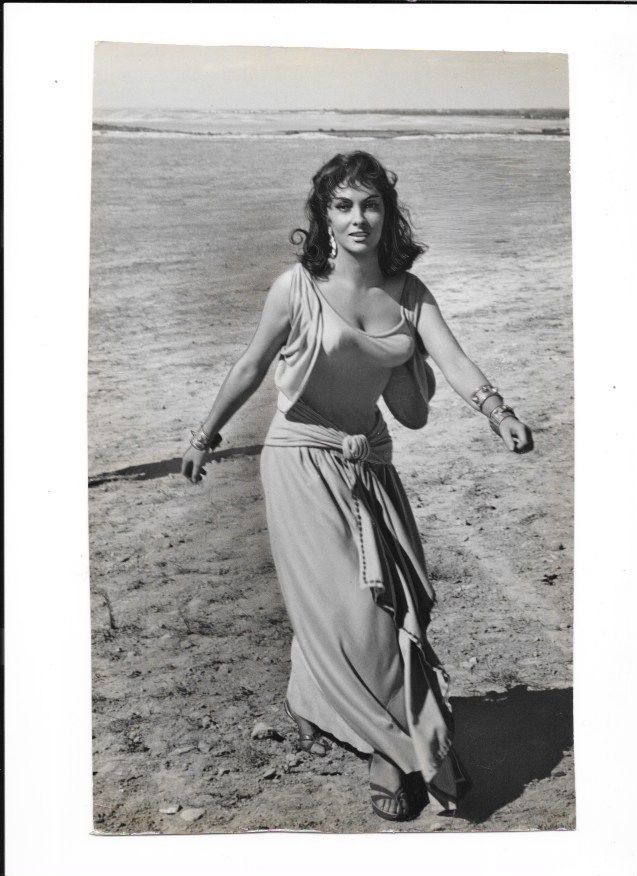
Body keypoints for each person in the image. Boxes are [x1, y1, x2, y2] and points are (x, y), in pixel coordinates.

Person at [181, 151, 533, 822]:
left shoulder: (409, 293)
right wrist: (205, 435)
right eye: (342, 205)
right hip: (299, 460)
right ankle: (396, 752)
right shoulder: (295, 288)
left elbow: (453, 360)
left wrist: (499, 414)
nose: (357, 218)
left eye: (370, 204)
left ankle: (330, 707)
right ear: (324, 215)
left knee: (387, 611)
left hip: (367, 462)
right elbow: (250, 365)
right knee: (353, 613)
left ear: (387, 214)